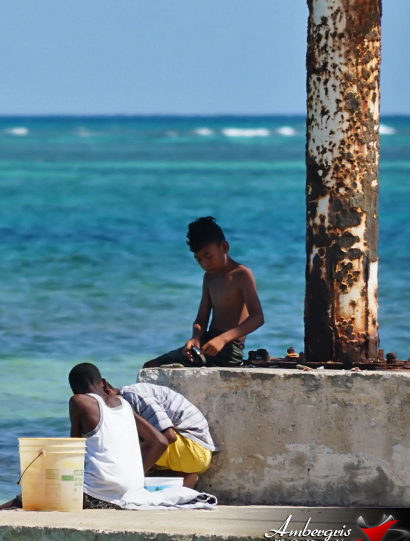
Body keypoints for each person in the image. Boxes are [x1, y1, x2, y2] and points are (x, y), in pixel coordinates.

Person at [144, 217, 264, 368]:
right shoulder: (209, 277)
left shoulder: (241, 274)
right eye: (199, 259)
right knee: (150, 365)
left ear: (224, 247)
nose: (205, 264)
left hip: (228, 350)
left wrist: (222, 339)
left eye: (208, 256)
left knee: (166, 369)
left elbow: (258, 317)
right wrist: (195, 338)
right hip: (206, 343)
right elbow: (201, 320)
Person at [67, 363, 169, 509]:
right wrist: (135, 476)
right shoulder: (124, 403)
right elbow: (160, 441)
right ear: (103, 382)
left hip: (97, 494)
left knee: (39, 491)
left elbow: (74, 451)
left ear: (75, 391)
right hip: (133, 492)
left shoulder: (78, 401)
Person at [104, 380, 217, 488]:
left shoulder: (134, 395)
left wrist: (135, 469)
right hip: (195, 454)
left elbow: (169, 436)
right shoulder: (131, 394)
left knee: (127, 446)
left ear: (106, 388)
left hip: (194, 449)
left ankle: (135, 483)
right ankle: (186, 478)